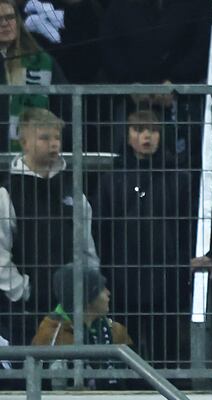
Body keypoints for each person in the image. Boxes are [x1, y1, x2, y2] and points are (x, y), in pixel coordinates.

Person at [95, 108, 196, 365]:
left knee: (167, 351)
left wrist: (183, 265)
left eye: (152, 130)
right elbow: (101, 230)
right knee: (128, 349)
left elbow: (188, 228)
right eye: (139, 130)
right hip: (123, 279)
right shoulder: (111, 180)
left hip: (167, 278)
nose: (146, 137)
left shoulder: (180, 179)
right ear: (128, 136)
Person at [0, 108, 100, 343]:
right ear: (24, 142)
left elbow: (87, 247)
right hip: (24, 314)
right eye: (45, 138)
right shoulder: (7, 193)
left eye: (57, 137)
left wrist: (88, 289)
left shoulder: (72, 191)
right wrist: (23, 291)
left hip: (70, 308)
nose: (54, 144)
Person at [0, 0, 65, 152]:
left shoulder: (41, 60)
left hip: (33, 156)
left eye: (10, 17)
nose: (4, 24)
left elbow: (64, 103)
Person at [31, 264, 132, 348]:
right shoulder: (51, 337)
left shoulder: (116, 332)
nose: (108, 293)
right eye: (101, 289)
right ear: (86, 299)